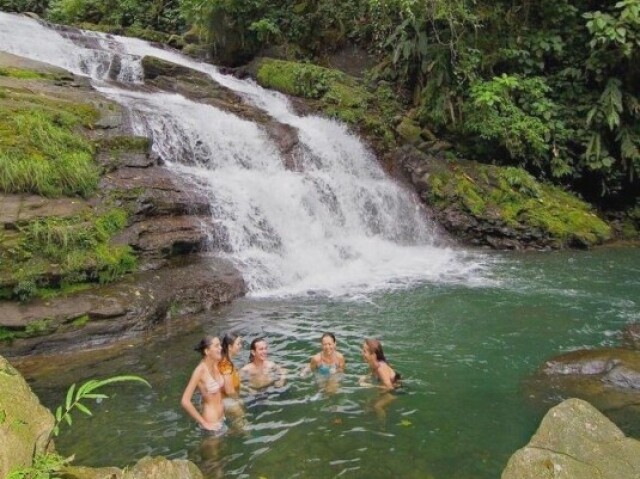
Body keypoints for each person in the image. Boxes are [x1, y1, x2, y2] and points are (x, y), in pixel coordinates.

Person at [181, 336, 227, 436]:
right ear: (207, 351)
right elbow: (185, 401)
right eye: (216, 346)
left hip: (221, 415)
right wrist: (204, 423)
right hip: (211, 419)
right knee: (212, 451)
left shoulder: (215, 363)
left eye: (220, 345)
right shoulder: (199, 371)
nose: (221, 348)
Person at [359, 338, 401, 418]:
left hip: (396, 390)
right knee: (370, 402)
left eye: (365, 351)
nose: (362, 353)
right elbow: (374, 373)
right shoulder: (373, 363)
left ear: (373, 355)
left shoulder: (381, 368)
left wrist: (369, 385)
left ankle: (382, 427)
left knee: (377, 406)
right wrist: (366, 377)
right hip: (389, 386)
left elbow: (390, 387)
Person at [219, 332, 245, 429]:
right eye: (238, 344)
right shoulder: (226, 364)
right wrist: (238, 399)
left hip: (226, 398)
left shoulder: (225, 360)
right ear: (230, 347)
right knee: (243, 424)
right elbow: (229, 390)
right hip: (225, 399)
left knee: (237, 424)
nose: (240, 346)